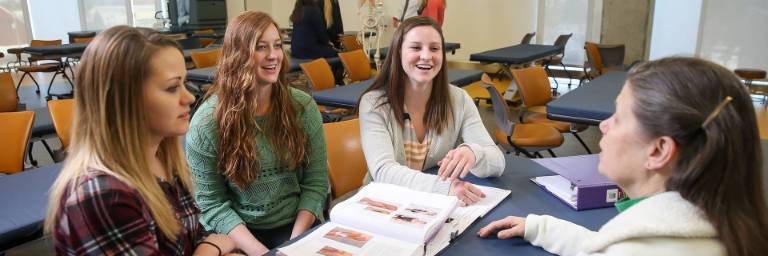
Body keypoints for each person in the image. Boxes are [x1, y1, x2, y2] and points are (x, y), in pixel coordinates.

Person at [478, 57, 768, 255]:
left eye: (618, 117)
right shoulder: (725, 223)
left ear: (659, 151)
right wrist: (540, 228)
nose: (604, 126)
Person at [44, 26, 235, 255]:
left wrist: (210, 246)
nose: (189, 97)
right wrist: (213, 248)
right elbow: (210, 243)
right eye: (172, 87)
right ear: (125, 100)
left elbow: (194, 236)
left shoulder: (163, 160)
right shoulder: (105, 195)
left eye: (184, 83)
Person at [186, 11, 328, 255]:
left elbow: (315, 183)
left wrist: (293, 245)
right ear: (238, 55)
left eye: (277, 45)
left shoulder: (302, 107)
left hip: (297, 226)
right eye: (261, 47)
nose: (273, 55)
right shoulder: (206, 124)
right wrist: (263, 253)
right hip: (239, 234)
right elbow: (213, 204)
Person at [358, 16, 505, 206]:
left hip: (432, 204)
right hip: (382, 203)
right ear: (398, 51)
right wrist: (444, 188)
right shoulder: (373, 104)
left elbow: (498, 162)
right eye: (416, 47)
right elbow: (384, 171)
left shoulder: (459, 99)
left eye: (435, 48)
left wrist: (473, 153)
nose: (426, 56)